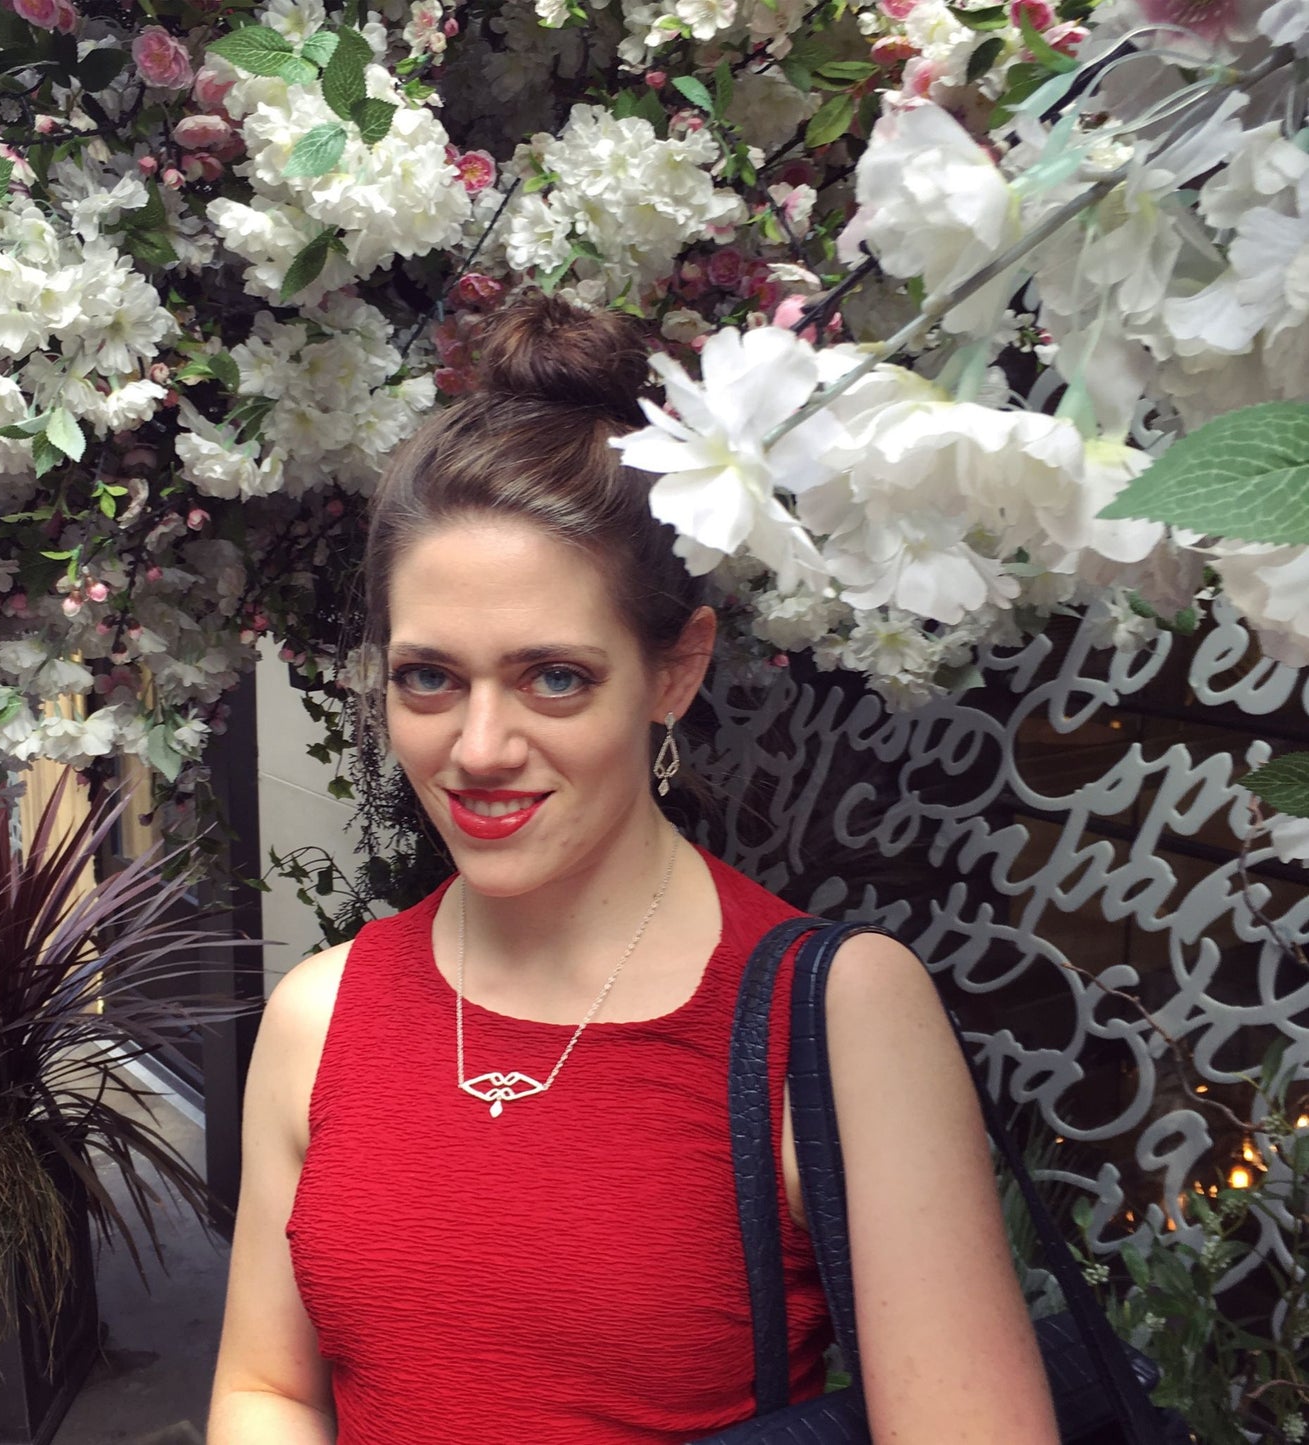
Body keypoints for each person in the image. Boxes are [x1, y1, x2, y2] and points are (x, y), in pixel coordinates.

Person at [207, 293, 1060, 1445]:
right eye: (428, 678)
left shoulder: (834, 1011)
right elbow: (268, 1388)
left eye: (553, 676)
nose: (479, 747)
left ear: (674, 670)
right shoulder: (320, 1014)